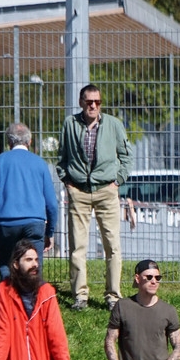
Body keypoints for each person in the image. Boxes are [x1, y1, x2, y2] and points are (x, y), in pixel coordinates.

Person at [56, 84, 132, 310]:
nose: (93, 106)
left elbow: (126, 156)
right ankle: (80, 295)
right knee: (77, 246)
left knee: (112, 245)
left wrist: (117, 181)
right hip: (78, 190)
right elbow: (62, 157)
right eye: (89, 102)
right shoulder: (70, 124)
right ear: (81, 102)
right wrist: (67, 182)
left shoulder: (113, 125)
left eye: (97, 102)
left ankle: (113, 296)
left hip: (106, 190)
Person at [0, 122, 58, 280]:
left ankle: (8, 291)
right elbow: (52, 203)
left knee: (6, 263)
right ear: (29, 141)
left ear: (9, 142)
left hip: (7, 221)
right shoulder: (40, 163)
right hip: (35, 221)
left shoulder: (0, 160)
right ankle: (32, 293)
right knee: (33, 264)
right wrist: (49, 231)